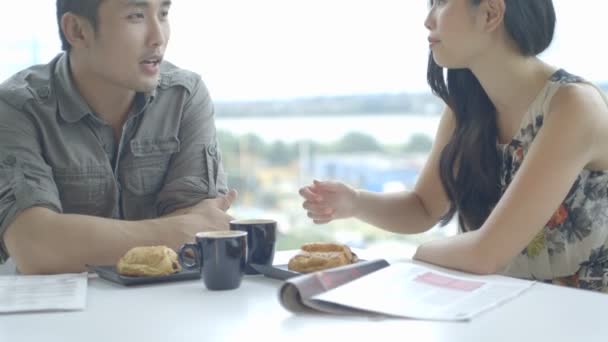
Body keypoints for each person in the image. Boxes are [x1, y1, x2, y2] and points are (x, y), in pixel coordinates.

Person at [300, 0, 608, 292]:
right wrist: (355, 202)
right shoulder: (467, 108)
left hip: (582, 322)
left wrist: (416, 255)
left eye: (443, 2)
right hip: (496, 313)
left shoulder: (573, 106)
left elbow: (486, 253)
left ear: (490, 13)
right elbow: (423, 207)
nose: (428, 19)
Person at [0, 0, 237, 274]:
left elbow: (205, 222)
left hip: (167, 308)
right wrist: (178, 230)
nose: (158, 37)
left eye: (163, 14)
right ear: (77, 30)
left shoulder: (184, 95)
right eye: (136, 16)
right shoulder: (17, 108)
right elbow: (35, 247)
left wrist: (68, 240)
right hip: (59, 314)